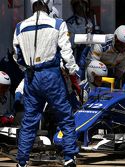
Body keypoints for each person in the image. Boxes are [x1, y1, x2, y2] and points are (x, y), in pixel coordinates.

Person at [13, 0, 81, 166]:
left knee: (29, 120)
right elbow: (66, 53)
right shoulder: (58, 23)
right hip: (51, 76)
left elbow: (17, 56)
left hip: (31, 77)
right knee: (65, 117)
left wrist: (27, 70)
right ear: (48, 4)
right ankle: (69, 158)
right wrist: (74, 73)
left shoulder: (20, 27)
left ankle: (21, 162)